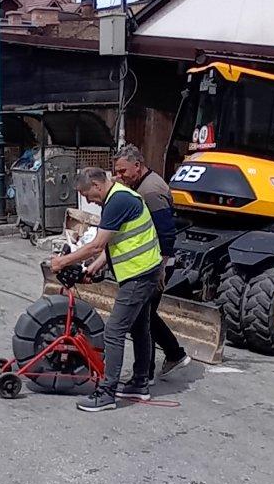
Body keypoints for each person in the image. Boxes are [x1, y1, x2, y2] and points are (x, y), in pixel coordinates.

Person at [50, 166, 162, 412]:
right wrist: (94, 268)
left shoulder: (118, 201)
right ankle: (140, 383)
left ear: (98, 185)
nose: (88, 200)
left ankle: (107, 393)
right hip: (145, 270)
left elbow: (96, 245)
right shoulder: (119, 197)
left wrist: (62, 262)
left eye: (88, 194)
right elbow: (115, 243)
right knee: (140, 327)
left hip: (139, 275)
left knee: (114, 331)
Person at [113, 143, 191, 379]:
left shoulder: (151, 191)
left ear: (137, 166)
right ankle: (168, 357)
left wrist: (160, 270)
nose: (119, 177)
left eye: (122, 171)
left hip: (157, 263)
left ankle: (155, 366)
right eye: (117, 172)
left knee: (142, 318)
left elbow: (166, 234)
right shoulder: (142, 185)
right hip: (152, 261)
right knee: (144, 316)